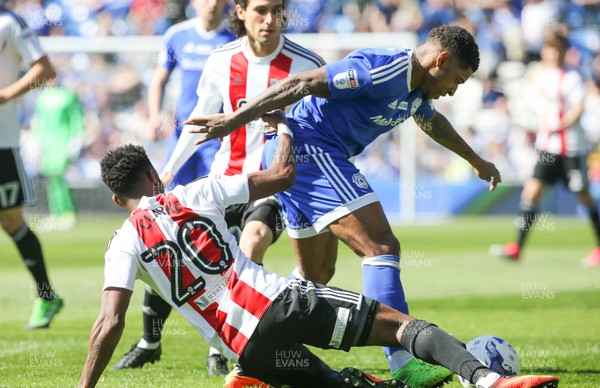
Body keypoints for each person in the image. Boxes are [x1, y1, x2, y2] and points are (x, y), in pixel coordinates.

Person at [79, 126, 558, 388]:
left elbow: (108, 324)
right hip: (280, 302)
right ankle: (486, 380)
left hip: (246, 350)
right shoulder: (195, 191)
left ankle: (252, 383)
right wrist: (282, 126)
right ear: (152, 174)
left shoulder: (122, 243)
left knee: (339, 385)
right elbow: (284, 175)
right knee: (400, 327)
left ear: (118, 199)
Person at [184, 25, 502, 386]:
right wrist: (234, 120)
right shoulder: (383, 68)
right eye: (456, 80)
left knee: (316, 274)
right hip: (308, 148)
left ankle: (254, 361)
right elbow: (302, 82)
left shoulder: (417, 91)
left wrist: (476, 160)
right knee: (380, 246)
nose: (452, 90)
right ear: (440, 61)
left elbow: (432, 122)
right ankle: (403, 363)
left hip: (300, 155)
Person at [116, 0, 328, 377]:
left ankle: (239, 347)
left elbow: (321, 128)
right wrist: (168, 170)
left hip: (269, 187)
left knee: (252, 242)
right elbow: (196, 123)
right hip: (223, 182)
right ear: (242, 12)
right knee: (171, 251)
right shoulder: (221, 60)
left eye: (277, 10)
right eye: (260, 10)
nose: (270, 19)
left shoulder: (306, 63)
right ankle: (188, 342)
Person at [111, 0, 235, 374]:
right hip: (182, 149)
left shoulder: (236, 38)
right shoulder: (176, 35)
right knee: (164, 239)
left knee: (217, 242)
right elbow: (160, 78)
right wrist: (153, 116)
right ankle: (151, 341)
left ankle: (219, 347)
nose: (211, 3)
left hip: (220, 149)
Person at [491, 28, 600, 267]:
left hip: (572, 149)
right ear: (545, 52)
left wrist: (559, 126)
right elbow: (532, 107)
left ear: (564, 51)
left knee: (584, 198)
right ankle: (517, 247)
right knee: (531, 193)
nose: (554, 54)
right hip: (547, 149)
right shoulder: (541, 76)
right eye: (551, 49)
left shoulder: (573, 77)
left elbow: (578, 110)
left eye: (558, 49)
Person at [0, 2, 63, 329]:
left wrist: (5, 94)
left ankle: (46, 295)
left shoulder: (9, 22)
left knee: (11, 221)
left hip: (2, 142)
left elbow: (45, 70)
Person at [32, 83, 84, 230]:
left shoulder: (68, 96)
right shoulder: (42, 98)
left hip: (63, 143)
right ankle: (56, 213)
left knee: (59, 177)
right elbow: (39, 123)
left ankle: (67, 212)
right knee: (51, 179)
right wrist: (36, 143)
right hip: (47, 145)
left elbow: (76, 120)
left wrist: (74, 143)